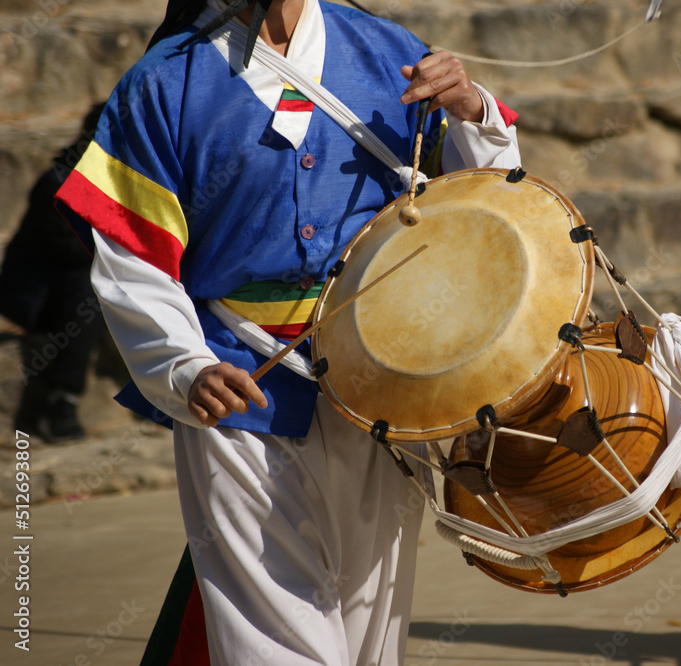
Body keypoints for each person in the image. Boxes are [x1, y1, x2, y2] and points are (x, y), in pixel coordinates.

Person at [54, 0, 520, 663]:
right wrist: (185, 365)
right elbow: (133, 260)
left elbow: (486, 198)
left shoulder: (389, 53)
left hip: (383, 387)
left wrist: (471, 110)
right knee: (271, 639)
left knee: (370, 634)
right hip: (240, 391)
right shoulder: (163, 83)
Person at [0, 104, 107, 442]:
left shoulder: (116, 182)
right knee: (88, 286)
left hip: (64, 288)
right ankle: (62, 400)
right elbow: (74, 250)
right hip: (35, 295)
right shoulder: (59, 183)